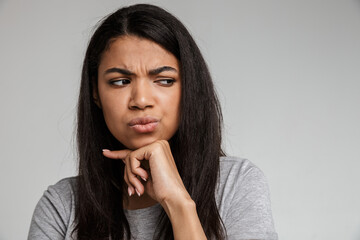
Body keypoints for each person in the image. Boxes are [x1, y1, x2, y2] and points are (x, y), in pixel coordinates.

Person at [28, 4, 278, 240]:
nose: (141, 100)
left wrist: (178, 202)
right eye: (120, 81)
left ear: (190, 87)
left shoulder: (237, 184)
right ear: (95, 92)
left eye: (165, 80)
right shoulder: (61, 205)